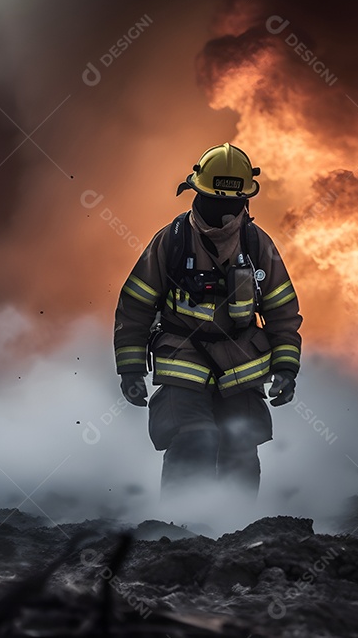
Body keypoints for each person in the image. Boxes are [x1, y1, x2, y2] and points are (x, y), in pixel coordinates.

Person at [112, 143, 302, 504]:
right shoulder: (172, 241)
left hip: (242, 364)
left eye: (234, 203)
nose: (226, 214)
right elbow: (135, 306)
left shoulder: (257, 244)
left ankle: (234, 530)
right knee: (195, 437)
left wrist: (286, 368)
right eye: (217, 202)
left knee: (240, 442)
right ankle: (179, 527)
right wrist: (131, 371)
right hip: (182, 359)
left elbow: (282, 311)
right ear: (197, 194)